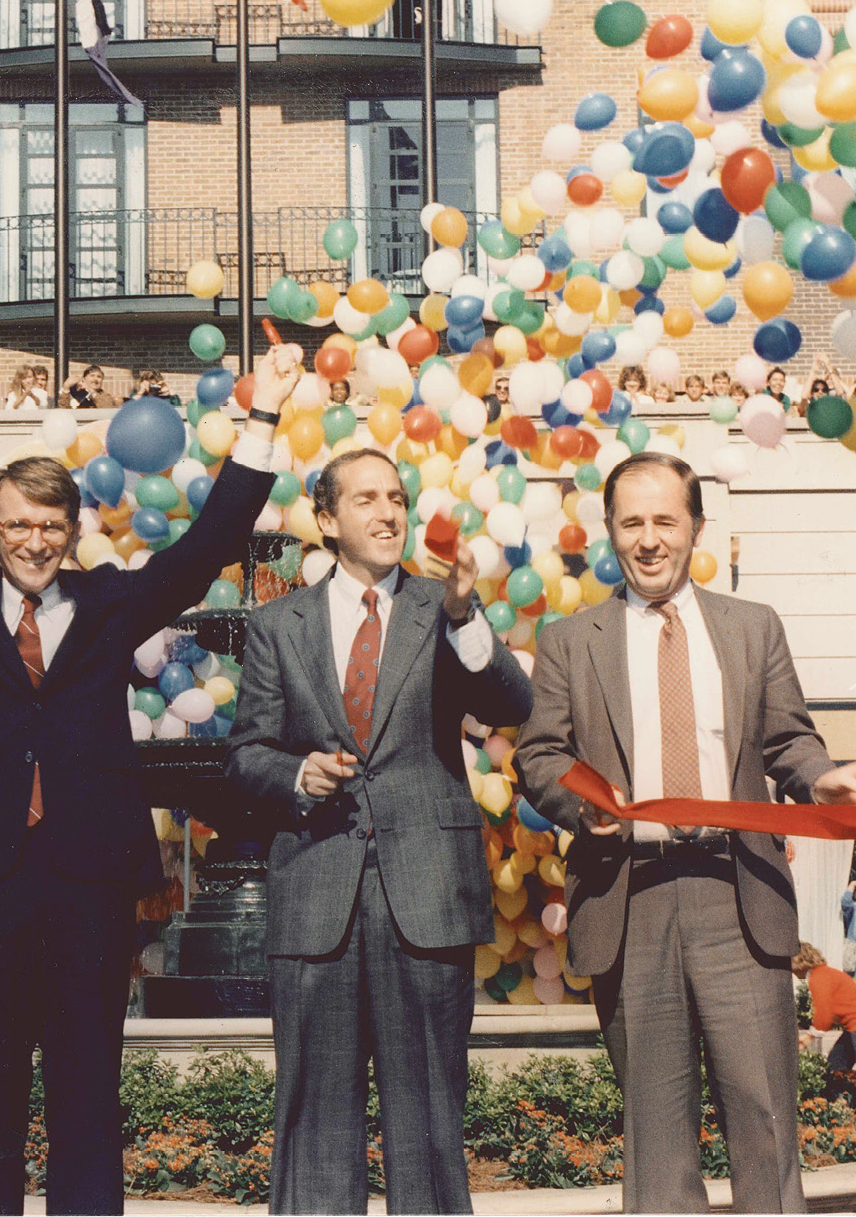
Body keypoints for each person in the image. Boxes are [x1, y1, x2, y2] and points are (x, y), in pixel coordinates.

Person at [0, 316, 300, 1216]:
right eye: (18, 525)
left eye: (51, 526)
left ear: (75, 531)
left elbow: (211, 539)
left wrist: (262, 412)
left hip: (89, 877)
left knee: (86, 1091)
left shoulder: (115, 601)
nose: (35, 542)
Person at [513, 451, 856, 1213]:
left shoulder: (751, 629)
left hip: (739, 898)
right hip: (631, 899)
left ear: (697, 527)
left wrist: (825, 779)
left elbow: (789, 742)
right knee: (656, 1145)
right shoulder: (572, 640)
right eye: (632, 522)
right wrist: (579, 804)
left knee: (764, 1122)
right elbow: (540, 756)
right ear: (610, 531)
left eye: (666, 519)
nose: (650, 538)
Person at [227, 449, 533, 1214]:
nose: (388, 513)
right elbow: (247, 754)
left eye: (396, 497)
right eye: (365, 500)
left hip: (425, 899)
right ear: (327, 521)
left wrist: (465, 610)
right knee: (313, 1129)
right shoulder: (276, 626)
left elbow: (511, 704)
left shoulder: (442, 608)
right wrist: (297, 775)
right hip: (315, 895)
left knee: (430, 1124)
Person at [793, 944, 856, 1084]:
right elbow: (833, 1010)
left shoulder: (818, 977)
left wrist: (811, 1035)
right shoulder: (824, 973)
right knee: (836, 1066)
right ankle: (836, 1100)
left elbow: (824, 1012)